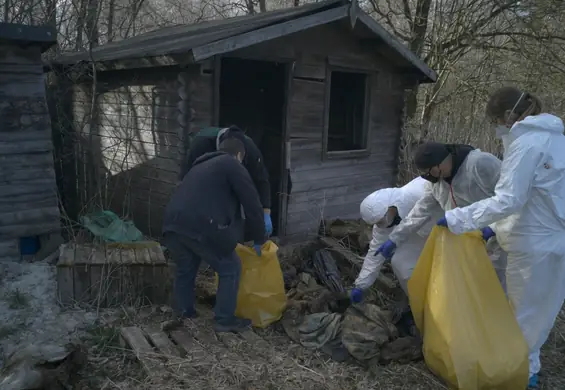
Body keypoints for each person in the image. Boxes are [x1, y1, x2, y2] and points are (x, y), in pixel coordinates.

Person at [437, 87, 565, 389]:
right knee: (540, 313)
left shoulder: (527, 145)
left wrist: (459, 218)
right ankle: (526, 369)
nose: (496, 127)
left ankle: (513, 375)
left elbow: (509, 199)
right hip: (553, 240)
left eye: (496, 120)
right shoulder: (557, 140)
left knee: (522, 315)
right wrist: (496, 228)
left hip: (532, 244)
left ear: (509, 116)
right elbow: (541, 197)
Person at [162, 137, 266, 333]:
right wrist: (260, 238)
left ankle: (184, 311)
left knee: (186, 266)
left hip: (172, 223)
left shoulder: (200, 166)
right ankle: (224, 319)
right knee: (230, 266)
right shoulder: (231, 164)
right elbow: (252, 202)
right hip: (200, 224)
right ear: (238, 155)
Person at [375, 141, 508, 290]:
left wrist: (494, 228)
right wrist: (395, 239)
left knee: (498, 286)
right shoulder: (437, 183)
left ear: (439, 163)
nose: (427, 176)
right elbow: (421, 211)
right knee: (473, 286)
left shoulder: (480, 164)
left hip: (500, 238)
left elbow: (513, 197)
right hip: (469, 242)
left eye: (428, 171)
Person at [180, 125, 273, 238]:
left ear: (240, 156)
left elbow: (262, 181)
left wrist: (266, 213)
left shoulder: (251, 151)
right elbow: (187, 179)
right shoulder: (200, 145)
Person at [350, 177, 432, 302]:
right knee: (401, 263)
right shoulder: (385, 224)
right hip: (417, 235)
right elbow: (375, 254)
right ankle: (420, 303)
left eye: (381, 221)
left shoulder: (420, 191)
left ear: (390, 207)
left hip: (447, 230)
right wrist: (361, 285)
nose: (380, 226)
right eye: (377, 223)